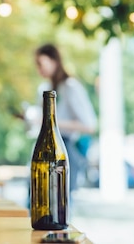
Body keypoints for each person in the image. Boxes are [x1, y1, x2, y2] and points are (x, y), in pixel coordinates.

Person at [34, 43, 97, 191]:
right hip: (46, 149)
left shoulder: (70, 87)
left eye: (40, 63)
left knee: (61, 202)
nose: (39, 69)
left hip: (64, 147)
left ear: (54, 61)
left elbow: (89, 125)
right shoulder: (46, 88)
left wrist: (50, 123)